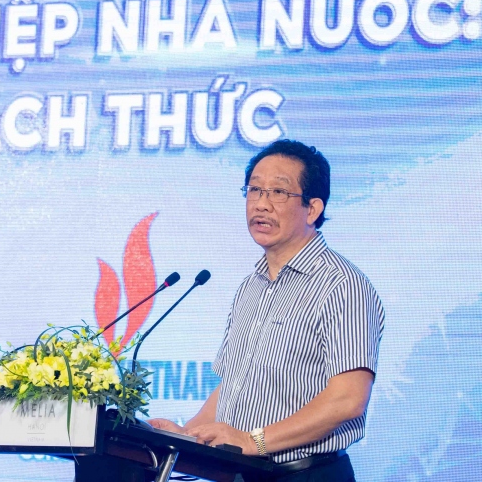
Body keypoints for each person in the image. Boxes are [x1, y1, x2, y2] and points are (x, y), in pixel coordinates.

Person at [148, 140, 384, 481]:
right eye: (255, 189)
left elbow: (348, 400)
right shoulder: (251, 287)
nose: (261, 203)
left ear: (312, 209)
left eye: (278, 192)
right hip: (243, 473)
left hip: (306, 475)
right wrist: (187, 435)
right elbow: (234, 385)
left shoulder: (342, 285)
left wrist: (253, 441)